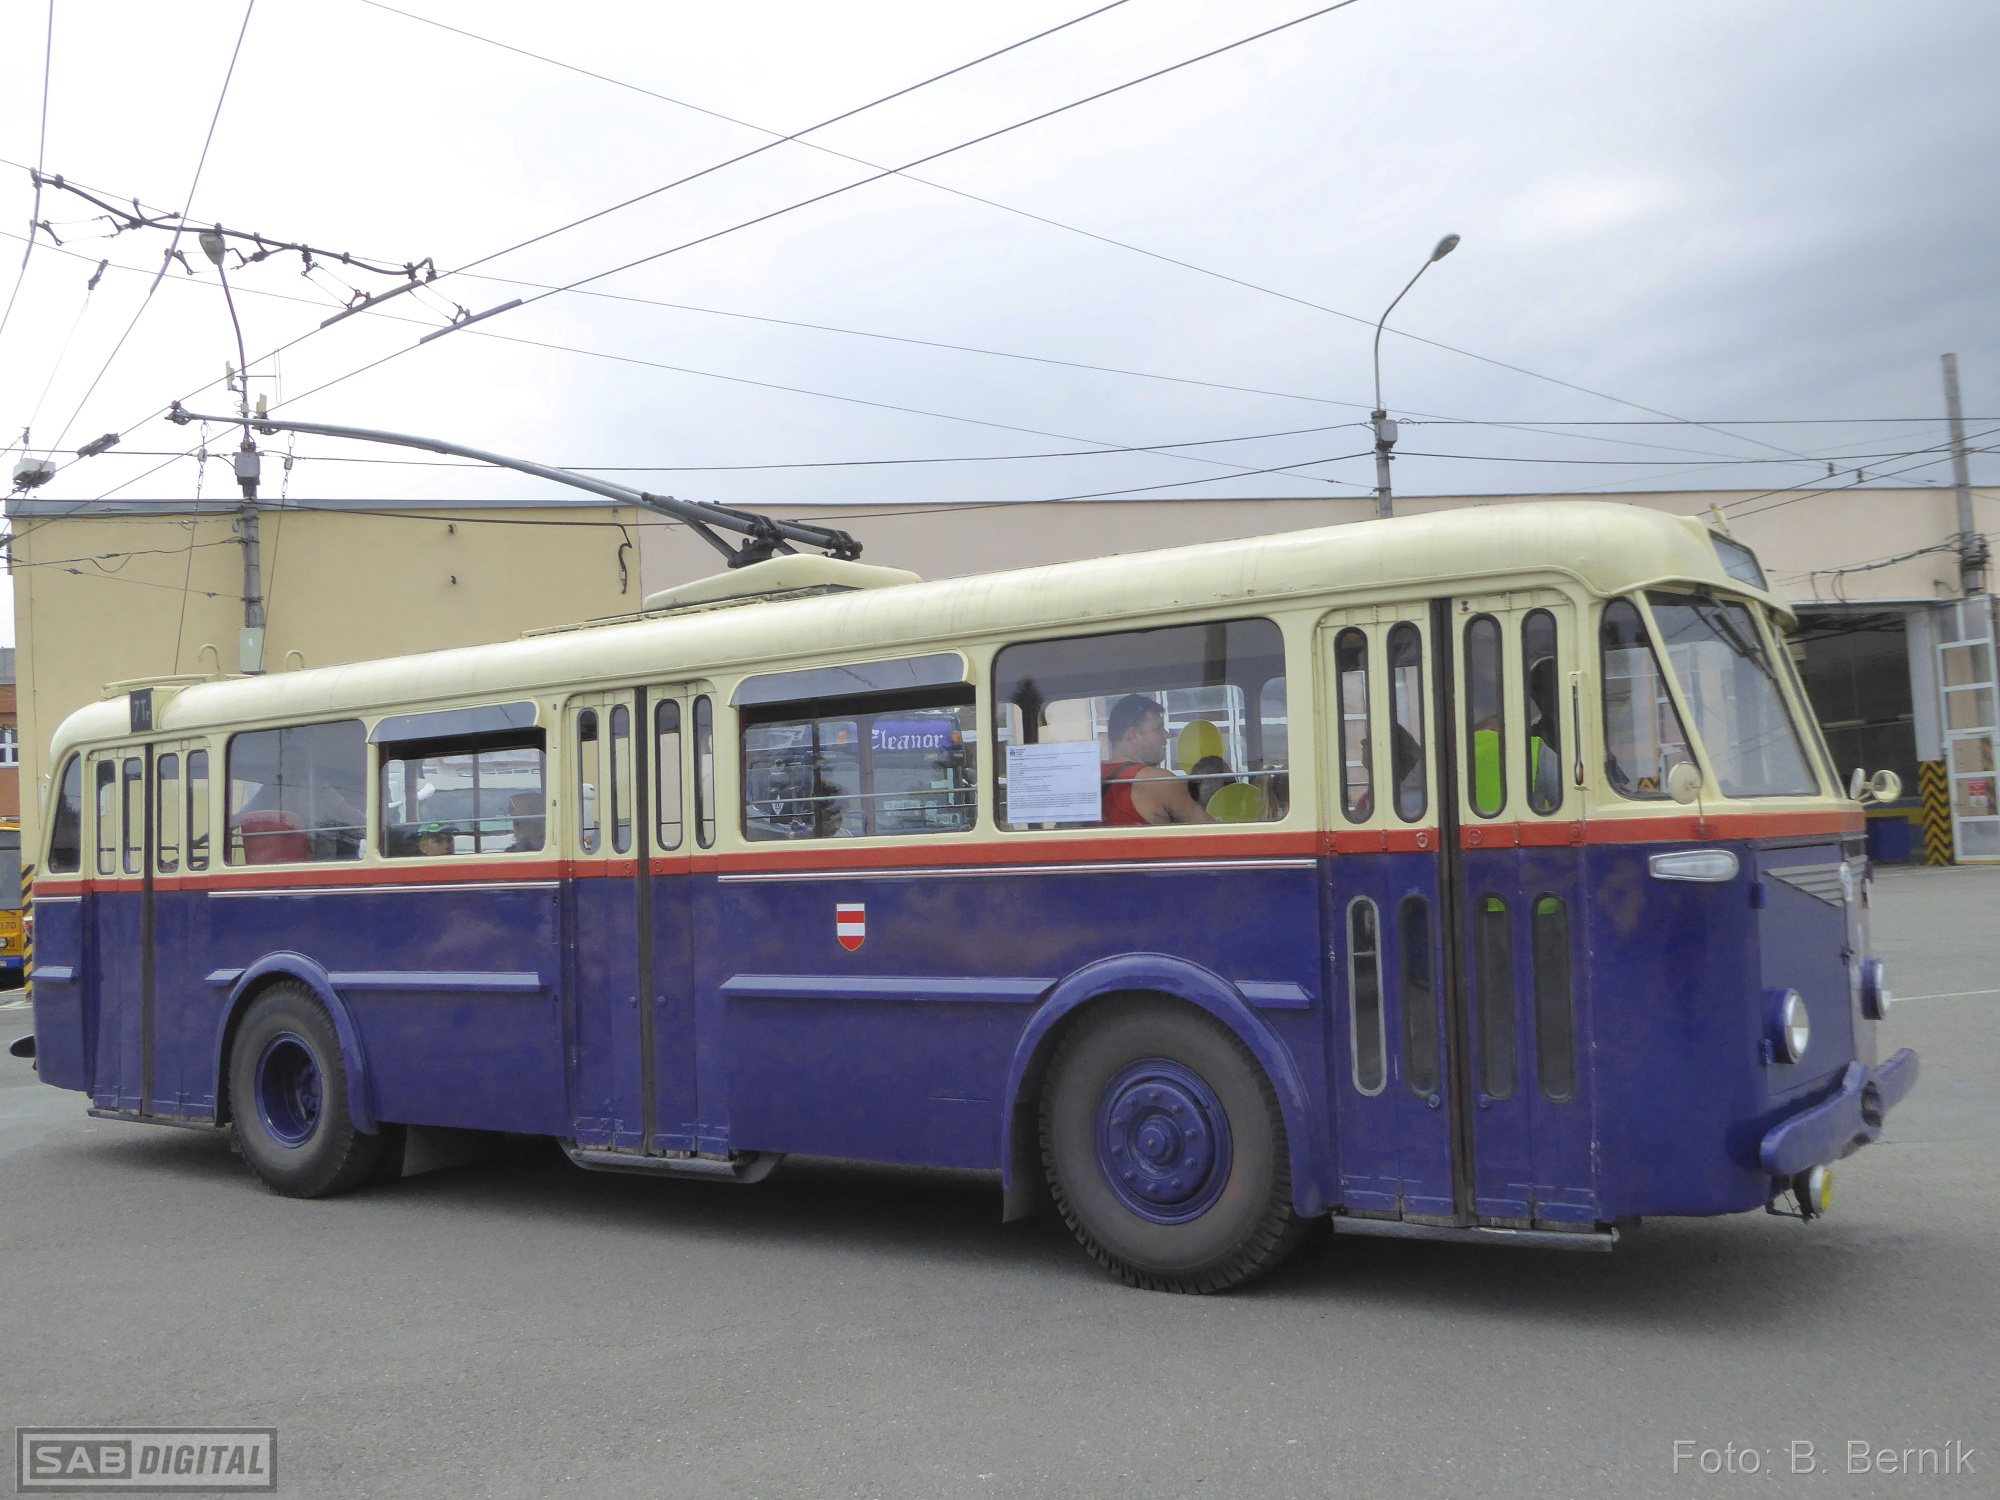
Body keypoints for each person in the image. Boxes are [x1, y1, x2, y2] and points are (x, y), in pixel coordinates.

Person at [1100, 695, 1214, 826]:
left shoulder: (1092, 778)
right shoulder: (1158, 780)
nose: (1167, 735)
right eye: (1157, 729)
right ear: (1134, 735)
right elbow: (1211, 832)